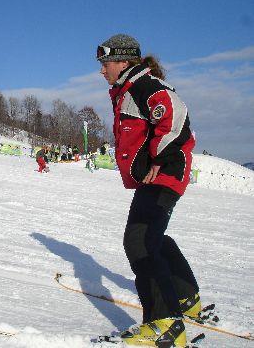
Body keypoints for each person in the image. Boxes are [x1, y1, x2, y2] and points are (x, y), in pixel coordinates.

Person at [97, 34, 200, 347]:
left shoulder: (144, 85)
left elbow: (175, 113)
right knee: (153, 237)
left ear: (124, 62)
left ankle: (164, 324)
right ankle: (185, 298)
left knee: (140, 241)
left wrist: (162, 157)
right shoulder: (129, 89)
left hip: (163, 175)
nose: (102, 71)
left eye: (106, 63)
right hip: (158, 177)